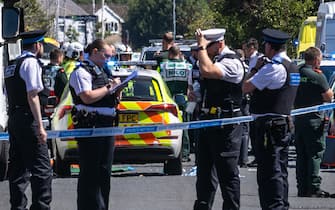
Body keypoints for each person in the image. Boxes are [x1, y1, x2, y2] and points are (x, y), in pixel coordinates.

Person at [242, 28, 300, 210]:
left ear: (269, 47)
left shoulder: (272, 68)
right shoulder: (292, 66)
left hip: (269, 126)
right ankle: (281, 205)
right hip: (282, 123)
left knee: (269, 172)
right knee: (280, 170)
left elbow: (245, 87)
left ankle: (274, 206)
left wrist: (255, 68)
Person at [193, 28, 244, 210]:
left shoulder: (231, 62)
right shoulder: (213, 59)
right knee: (204, 175)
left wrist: (201, 48)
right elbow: (205, 82)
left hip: (226, 125)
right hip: (208, 122)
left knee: (227, 175)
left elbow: (207, 70)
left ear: (220, 44)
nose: (204, 51)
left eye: (208, 47)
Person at [69, 39, 122, 210]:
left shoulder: (104, 71)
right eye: (106, 55)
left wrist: (117, 90)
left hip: (106, 126)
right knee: (90, 172)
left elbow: (108, 97)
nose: (108, 59)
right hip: (90, 126)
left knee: (104, 171)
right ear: (94, 52)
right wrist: (109, 87)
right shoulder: (81, 71)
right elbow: (87, 97)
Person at [4, 30, 52, 210]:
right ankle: (41, 206)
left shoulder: (12, 65)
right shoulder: (31, 63)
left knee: (18, 169)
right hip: (27, 117)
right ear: (37, 45)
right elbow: (32, 95)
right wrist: (40, 126)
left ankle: (18, 207)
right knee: (42, 169)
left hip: (15, 118)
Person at [294, 46, 333, 197]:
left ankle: (302, 187)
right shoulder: (317, 75)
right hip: (314, 120)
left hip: (299, 118)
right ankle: (314, 187)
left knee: (301, 154)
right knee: (315, 154)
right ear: (316, 59)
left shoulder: (296, 72)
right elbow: (328, 97)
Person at [160, 45, 193, 162]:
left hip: (168, 99)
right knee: (184, 126)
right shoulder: (188, 66)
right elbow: (190, 86)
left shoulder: (163, 66)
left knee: (169, 127)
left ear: (169, 54)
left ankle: (168, 150)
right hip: (183, 99)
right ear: (180, 54)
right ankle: (184, 153)